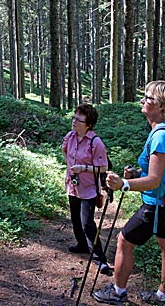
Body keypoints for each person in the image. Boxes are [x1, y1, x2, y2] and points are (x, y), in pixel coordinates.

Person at [92, 80, 165, 306]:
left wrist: (123, 184)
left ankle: (118, 292)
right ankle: (162, 296)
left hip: (156, 205)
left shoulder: (161, 136)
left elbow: (154, 180)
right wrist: (135, 173)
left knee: (123, 242)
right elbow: (156, 172)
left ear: (161, 106)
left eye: (148, 98)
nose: (143, 101)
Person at [62, 103, 111, 275]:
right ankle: (82, 245)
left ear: (88, 124)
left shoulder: (95, 142)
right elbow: (66, 154)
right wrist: (71, 172)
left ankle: (100, 258)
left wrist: (83, 168)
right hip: (73, 186)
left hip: (89, 189)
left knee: (87, 223)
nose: (74, 122)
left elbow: (103, 167)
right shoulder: (70, 137)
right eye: (74, 118)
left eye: (79, 120)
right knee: (75, 220)